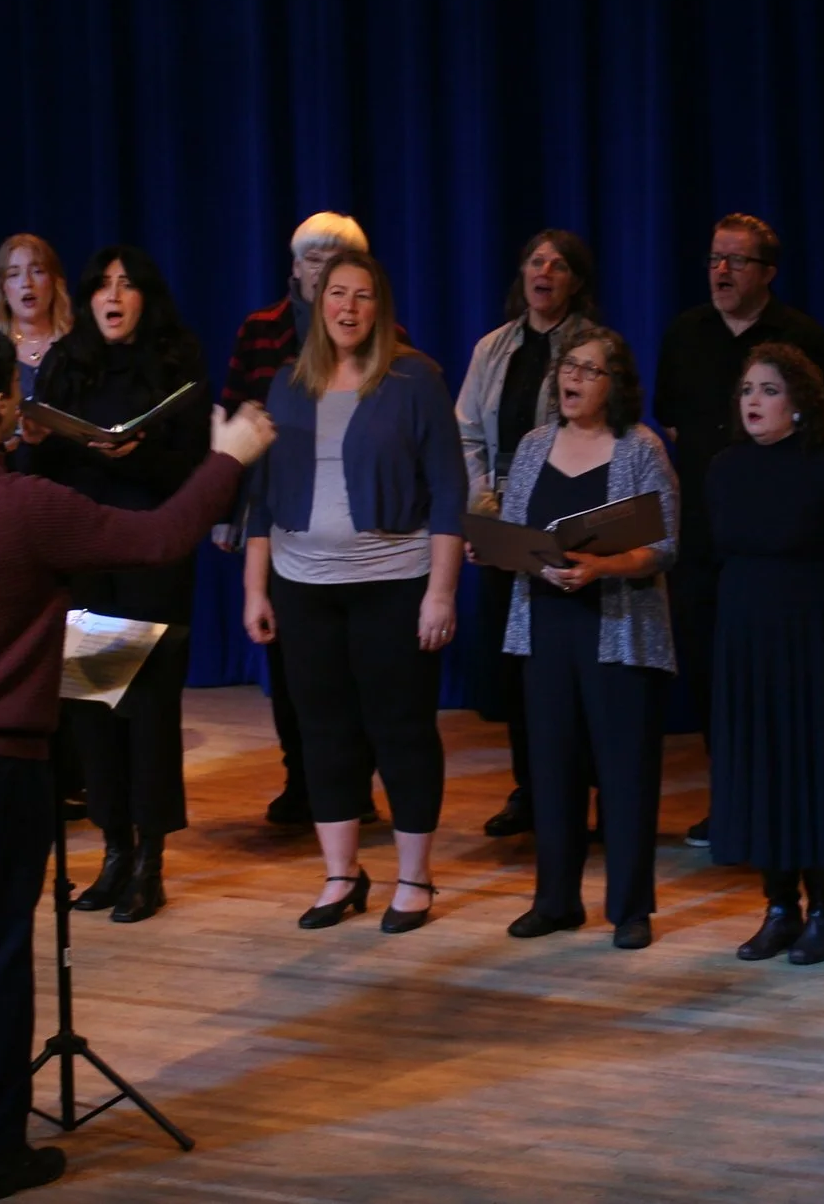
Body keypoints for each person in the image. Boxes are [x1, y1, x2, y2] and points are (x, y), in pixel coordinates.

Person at [0, 327, 272, 1204]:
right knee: (2, 955)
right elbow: (158, 539)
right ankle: (0, 1153)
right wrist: (228, 458)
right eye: (16, 397)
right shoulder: (28, 505)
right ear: (3, 405)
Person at [243, 252, 464, 935]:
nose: (347, 307)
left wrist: (441, 592)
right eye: (336, 294)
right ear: (318, 302)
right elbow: (261, 497)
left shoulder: (415, 378)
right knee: (324, 735)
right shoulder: (286, 385)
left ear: (380, 307)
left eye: (362, 296)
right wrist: (256, 587)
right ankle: (341, 874)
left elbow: (450, 492)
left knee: (400, 731)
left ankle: (414, 877)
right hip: (304, 586)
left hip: (394, 585)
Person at [654, 213, 824, 846]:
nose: (721, 271)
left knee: (786, 690)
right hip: (707, 538)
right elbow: (669, 430)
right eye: (715, 259)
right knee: (716, 676)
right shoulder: (685, 333)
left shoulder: (804, 339)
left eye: (736, 261)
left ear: (767, 272)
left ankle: (793, 810)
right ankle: (736, 803)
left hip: (788, 549)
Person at [25, 247, 214, 925]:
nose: (113, 295)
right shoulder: (68, 364)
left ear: (145, 298)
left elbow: (196, 469)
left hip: (152, 560)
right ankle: (111, 851)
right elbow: (40, 460)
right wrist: (34, 435)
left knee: (148, 718)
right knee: (96, 714)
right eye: (102, 284)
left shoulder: (174, 362)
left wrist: (142, 454)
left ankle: (150, 863)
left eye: (126, 285)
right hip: (90, 560)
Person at [217, 212, 406, 827]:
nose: (323, 268)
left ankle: (357, 787)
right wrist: (227, 511)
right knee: (292, 660)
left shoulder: (385, 332)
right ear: (295, 267)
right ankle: (303, 777)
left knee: (359, 668)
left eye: (336, 256)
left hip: (360, 524)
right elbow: (233, 417)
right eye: (313, 257)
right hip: (279, 511)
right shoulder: (260, 329)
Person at [497, 327, 678, 949]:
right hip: (545, 625)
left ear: (615, 384)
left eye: (588, 370)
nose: (571, 379)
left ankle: (630, 908)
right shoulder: (532, 446)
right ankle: (556, 901)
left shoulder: (639, 449)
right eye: (567, 367)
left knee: (624, 772)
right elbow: (513, 529)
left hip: (617, 629)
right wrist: (512, 553)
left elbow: (664, 545)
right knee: (552, 769)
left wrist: (599, 566)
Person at [707, 345, 824, 966]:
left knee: (810, 773)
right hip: (743, 642)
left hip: (810, 644)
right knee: (760, 771)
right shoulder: (725, 468)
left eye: (770, 389)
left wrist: (821, 631)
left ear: (801, 404)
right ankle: (778, 907)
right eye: (748, 388)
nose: (754, 400)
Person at [455, 229, 599, 841]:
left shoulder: (594, 347)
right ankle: (530, 789)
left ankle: (582, 794)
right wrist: (484, 507)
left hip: (566, 519)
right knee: (514, 664)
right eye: (536, 261)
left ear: (575, 282)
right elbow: (466, 431)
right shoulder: (494, 347)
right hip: (502, 520)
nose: (545, 272)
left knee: (567, 662)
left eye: (559, 265)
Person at [0, 234, 74, 407]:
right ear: (2, 289)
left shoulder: (78, 346)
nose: (27, 282)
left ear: (54, 282)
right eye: (14, 274)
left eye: (37, 271)